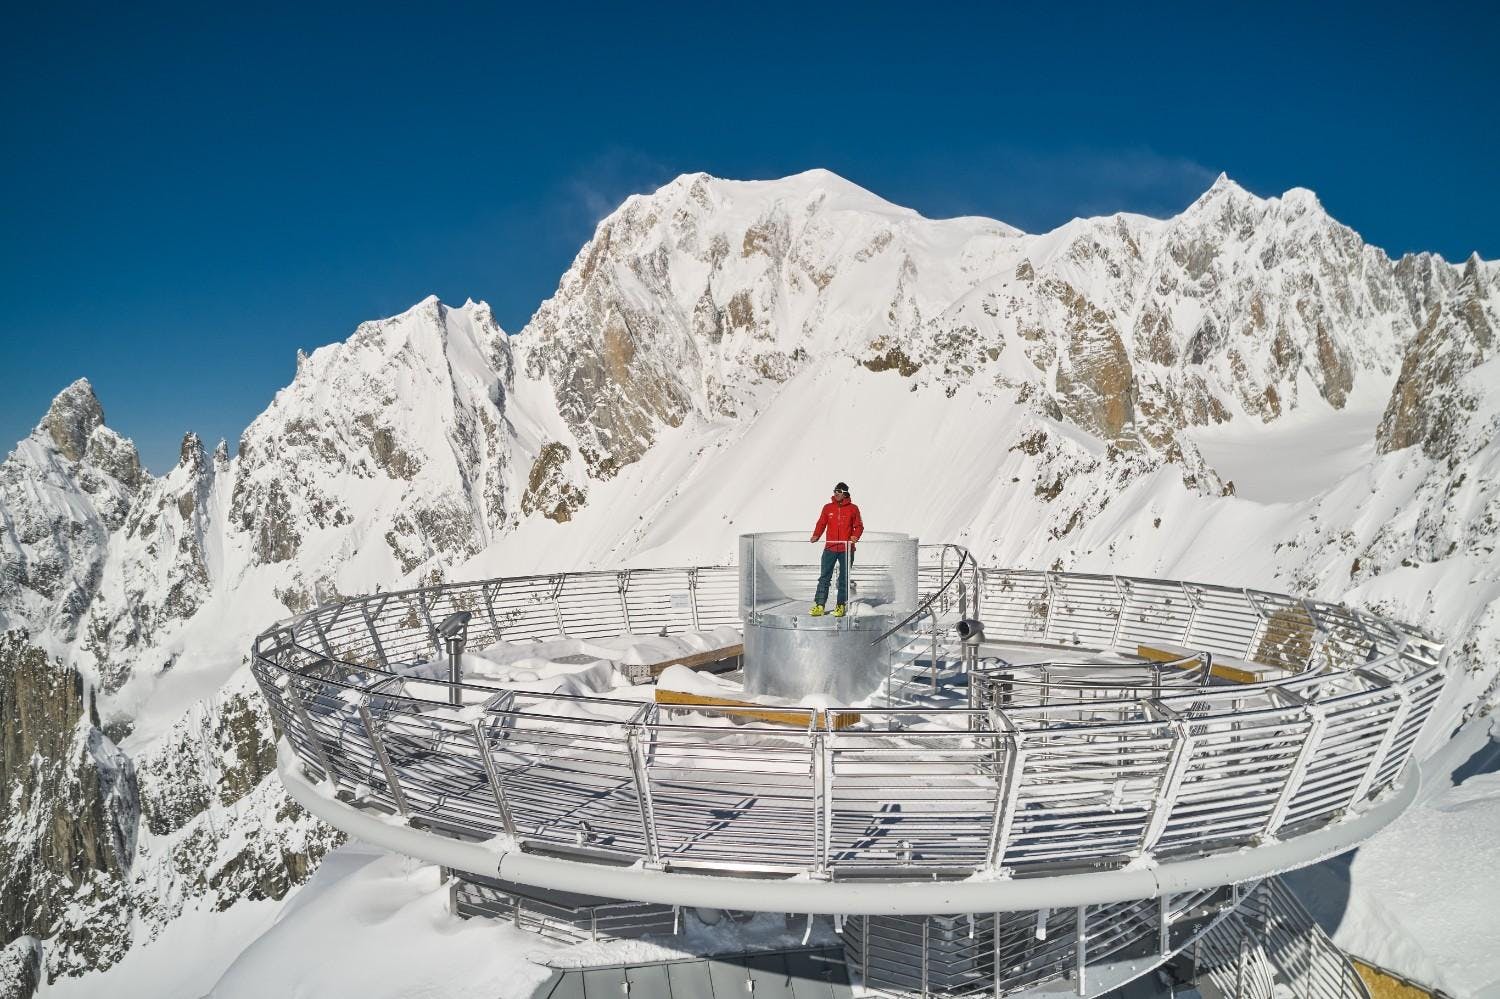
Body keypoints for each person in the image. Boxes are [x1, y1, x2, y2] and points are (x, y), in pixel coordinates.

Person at [809, 482, 863, 617]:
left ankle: (840, 606)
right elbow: (821, 523)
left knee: (844, 578)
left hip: (846, 549)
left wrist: (855, 537)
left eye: (838, 491)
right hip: (830, 548)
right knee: (824, 577)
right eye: (834, 491)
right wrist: (816, 534)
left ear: (844, 493)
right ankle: (819, 605)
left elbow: (859, 526)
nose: (835, 494)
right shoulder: (828, 508)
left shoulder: (853, 509)